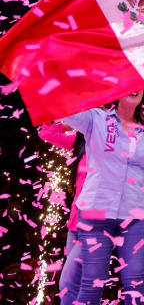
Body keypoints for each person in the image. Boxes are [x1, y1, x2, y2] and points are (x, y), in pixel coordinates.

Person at [62, 89, 144, 305]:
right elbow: (66, 111)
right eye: (129, 84)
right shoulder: (96, 119)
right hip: (96, 212)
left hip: (136, 215)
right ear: (118, 89)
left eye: (139, 85)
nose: (134, 89)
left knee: (135, 283)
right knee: (92, 282)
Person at [37, 121, 87, 305]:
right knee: (77, 285)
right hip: (75, 223)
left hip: (96, 223)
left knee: (68, 283)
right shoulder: (80, 141)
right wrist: (69, 124)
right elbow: (46, 133)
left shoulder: (110, 144)